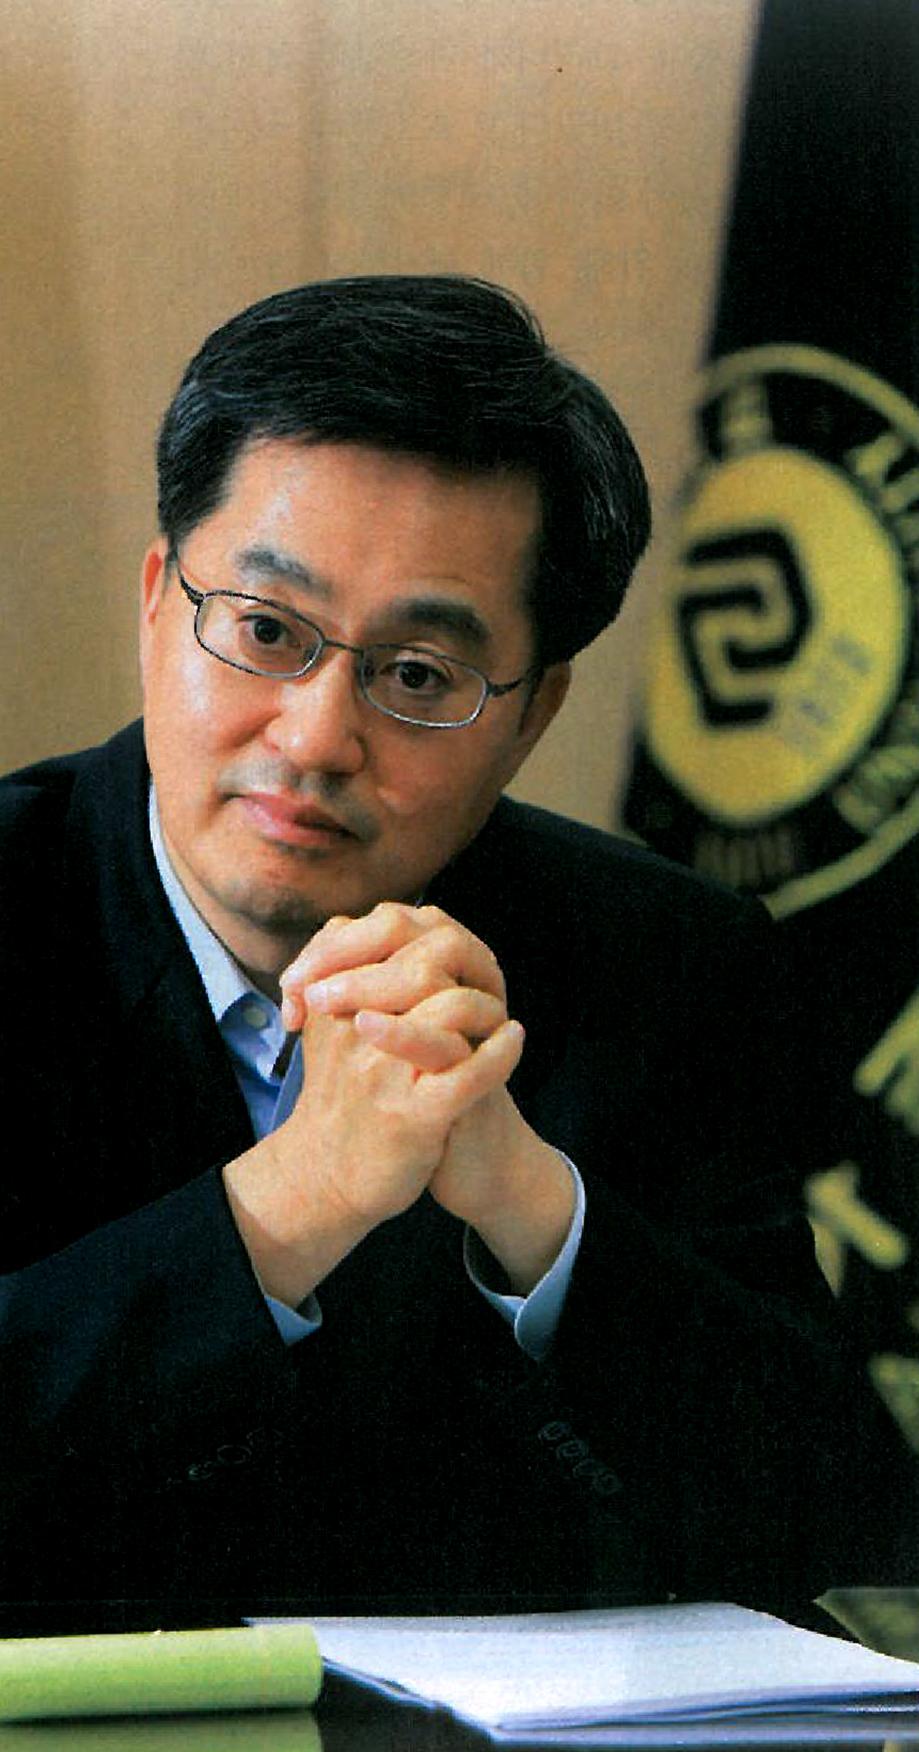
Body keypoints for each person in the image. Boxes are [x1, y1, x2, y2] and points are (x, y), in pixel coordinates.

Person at [0, 275, 910, 1635]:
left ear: (532, 715)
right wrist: (287, 1209)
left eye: (419, 675)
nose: (315, 736)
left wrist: (534, 1211)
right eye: (264, 630)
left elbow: (831, 1515)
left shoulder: (667, 963)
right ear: (155, 603)